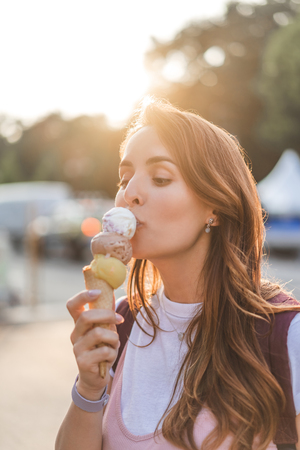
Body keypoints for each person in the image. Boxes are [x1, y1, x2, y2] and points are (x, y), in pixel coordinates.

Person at [55, 98, 300, 450]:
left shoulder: (284, 333)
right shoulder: (122, 323)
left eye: (160, 177)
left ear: (214, 206)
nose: (129, 194)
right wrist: (89, 389)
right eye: (124, 179)